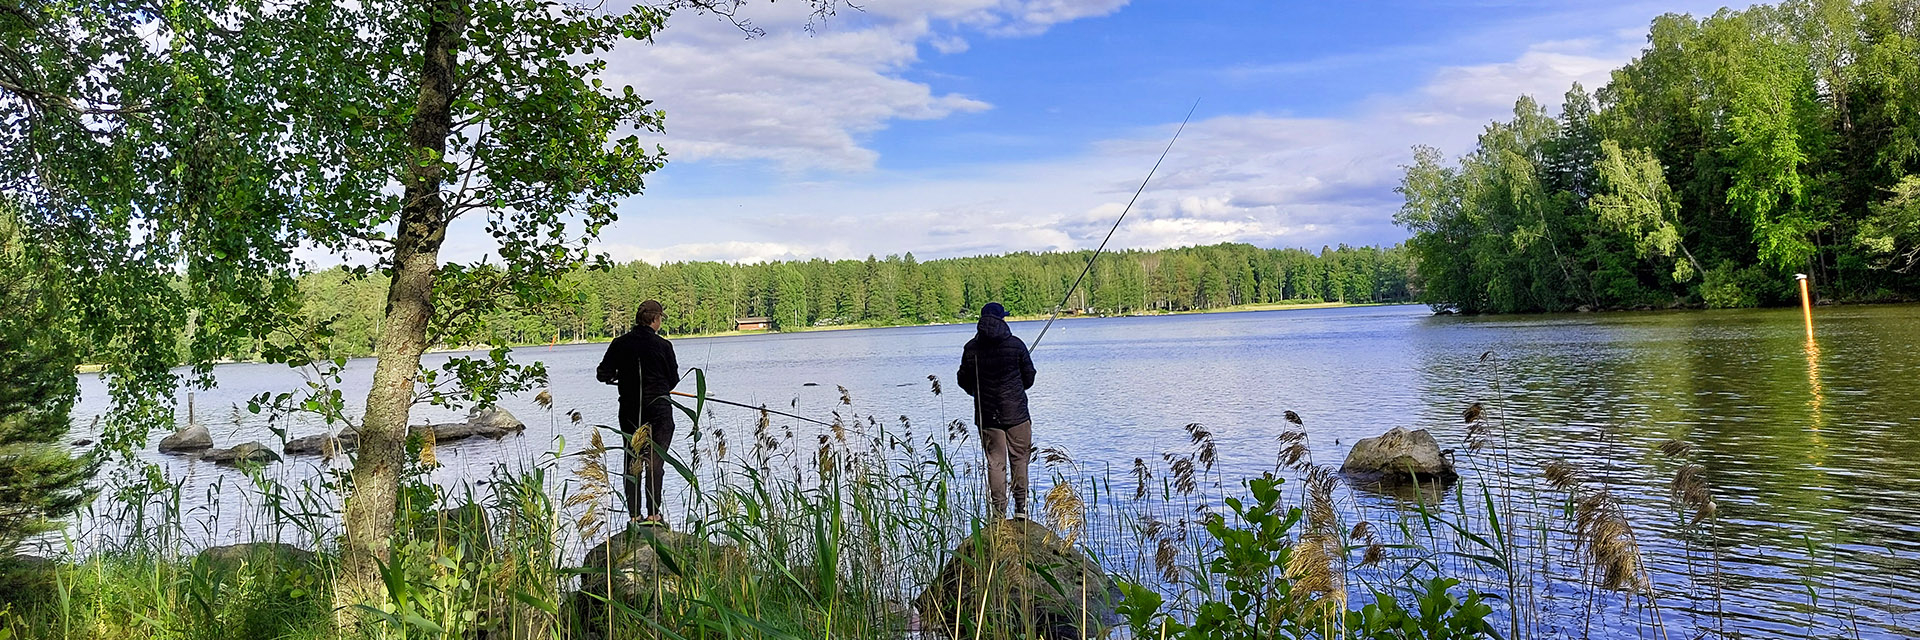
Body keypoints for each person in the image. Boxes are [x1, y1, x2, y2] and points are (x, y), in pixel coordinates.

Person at [596, 299, 681, 526]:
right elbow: (673, 380)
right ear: (656, 319)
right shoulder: (664, 346)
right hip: (659, 411)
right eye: (661, 317)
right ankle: (654, 515)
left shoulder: (619, 343)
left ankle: (634, 517)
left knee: (632, 461)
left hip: (631, 411)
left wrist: (617, 377)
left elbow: (602, 374)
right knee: (655, 462)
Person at [956, 302, 1037, 521]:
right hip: (1017, 414)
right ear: (1002, 319)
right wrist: (1017, 387)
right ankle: (1021, 509)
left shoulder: (971, 348)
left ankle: (997, 514)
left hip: (987, 414)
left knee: (995, 463)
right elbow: (1029, 376)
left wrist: (976, 392)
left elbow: (962, 379)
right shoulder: (1016, 345)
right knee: (1019, 460)